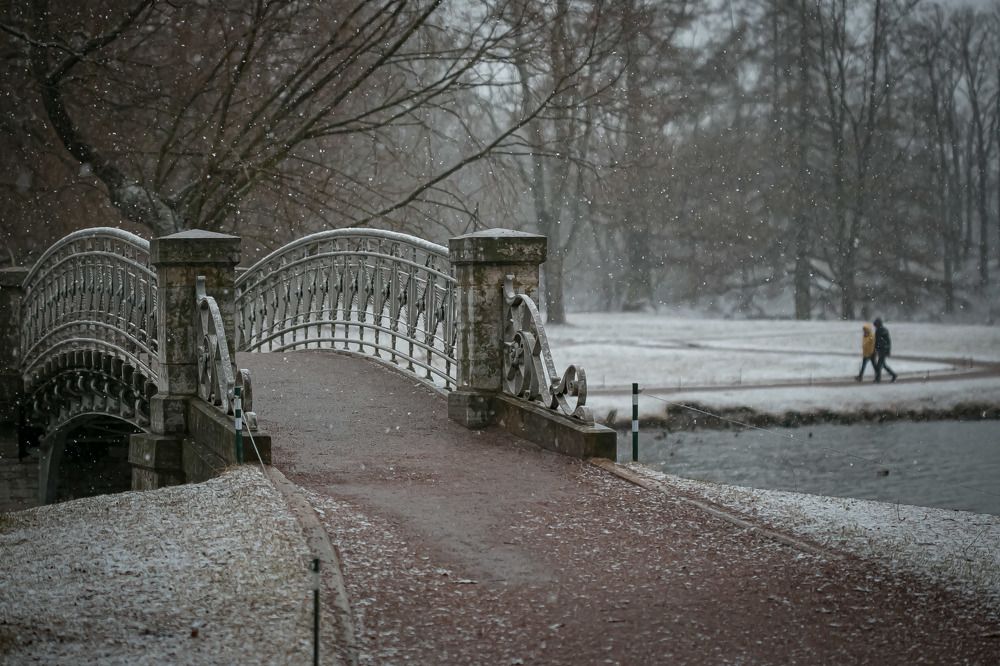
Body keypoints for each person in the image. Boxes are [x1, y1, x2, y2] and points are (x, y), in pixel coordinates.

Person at [873, 317, 897, 383]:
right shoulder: (881, 330)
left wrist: (877, 348)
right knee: (882, 365)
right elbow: (885, 341)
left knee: (879, 365)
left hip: (883, 350)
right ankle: (893, 375)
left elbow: (880, 341)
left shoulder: (880, 331)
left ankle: (878, 378)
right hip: (882, 350)